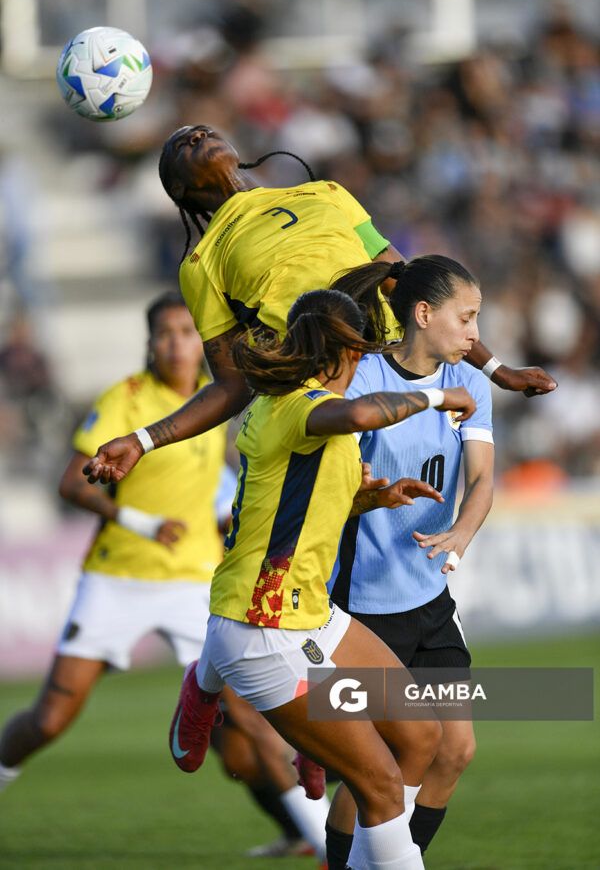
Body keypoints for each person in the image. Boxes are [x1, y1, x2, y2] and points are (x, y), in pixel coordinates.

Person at [0, 293, 328, 861]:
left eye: (185, 330)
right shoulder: (125, 400)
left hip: (195, 586)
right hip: (118, 578)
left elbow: (222, 489)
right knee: (50, 719)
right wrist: (140, 521)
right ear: (149, 341)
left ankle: (322, 839)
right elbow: (72, 484)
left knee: (246, 728)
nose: (177, 343)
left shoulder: (219, 400)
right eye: (166, 333)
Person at [167, 288, 479, 870]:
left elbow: (311, 507)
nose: (363, 363)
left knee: (420, 739)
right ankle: (209, 681)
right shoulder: (296, 405)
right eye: (359, 351)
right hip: (264, 629)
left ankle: (208, 680)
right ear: (341, 352)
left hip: (307, 610)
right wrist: (438, 395)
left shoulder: (303, 407)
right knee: (382, 786)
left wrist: (375, 497)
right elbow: (360, 413)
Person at [82, 124, 556, 489]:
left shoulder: (323, 191)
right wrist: (145, 441)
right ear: (179, 190)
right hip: (333, 388)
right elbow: (231, 384)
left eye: (203, 130)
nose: (197, 134)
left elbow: (412, 287)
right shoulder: (202, 263)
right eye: (182, 147)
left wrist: (496, 370)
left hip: (400, 362)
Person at [320, 255, 495, 867]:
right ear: (423, 314)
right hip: (364, 607)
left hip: (428, 600)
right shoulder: (362, 380)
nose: (476, 335)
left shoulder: (469, 384)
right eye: (466, 318)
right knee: (379, 770)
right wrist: (370, 491)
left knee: (455, 750)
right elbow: (332, 493)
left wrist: (461, 533)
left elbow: (481, 482)